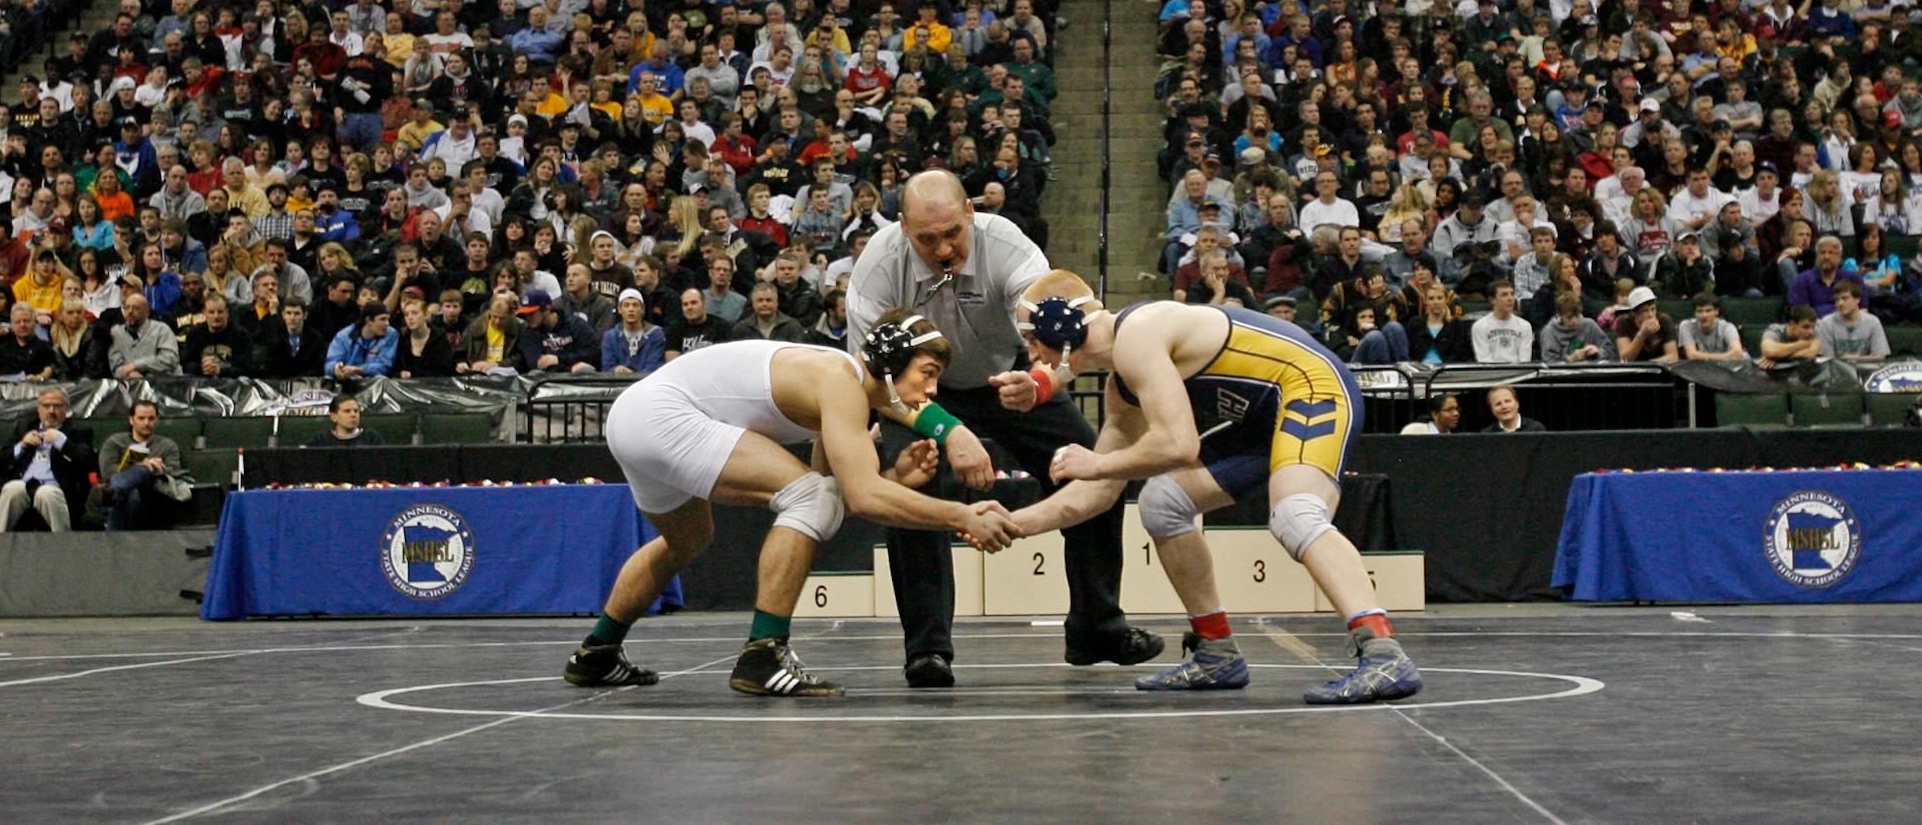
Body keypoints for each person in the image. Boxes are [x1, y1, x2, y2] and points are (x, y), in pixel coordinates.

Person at [1001, 270, 1420, 705]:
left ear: (1060, 325)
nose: (1032, 354)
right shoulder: (1123, 385)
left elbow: (1178, 446)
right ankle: (1216, 650)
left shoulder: (1138, 335)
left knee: (1296, 514)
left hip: (1311, 385)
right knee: (1162, 502)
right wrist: (1013, 523)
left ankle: (1383, 651)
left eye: (1032, 338)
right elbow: (1098, 492)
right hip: (1263, 417)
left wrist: (1098, 462)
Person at [563, 312, 1018, 697]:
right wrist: (961, 515)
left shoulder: (841, 388)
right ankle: (764, 653)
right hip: (663, 415)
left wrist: (895, 480)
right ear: (892, 364)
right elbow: (853, 498)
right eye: (927, 372)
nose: (932, 390)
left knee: (691, 538)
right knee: (808, 497)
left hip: (634, 417)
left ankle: (598, 652)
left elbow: (837, 498)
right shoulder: (839, 382)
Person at [845, 170, 1158, 687]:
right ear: (902, 227)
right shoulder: (877, 269)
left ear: (971, 213)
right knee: (909, 488)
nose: (944, 250)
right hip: (919, 390)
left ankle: (1096, 628)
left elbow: (1061, 339)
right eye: (927, 239)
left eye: (953, 233)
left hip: (1007, 376)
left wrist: (1039, 383)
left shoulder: (1009, 247)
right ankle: (927, 650)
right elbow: (879, 384)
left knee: (1094, 470)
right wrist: (949, 429)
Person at [0, 386, 95, 531]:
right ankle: (0, 541)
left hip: (56, 487)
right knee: (12, 489)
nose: (51, 411)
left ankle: (63, 542)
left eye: (57, 406)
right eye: (46, 406)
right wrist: (22, 444)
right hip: (24, 483)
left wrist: (62, 442)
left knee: (46, 493)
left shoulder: (78, 431)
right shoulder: (24, 428)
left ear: (66, 409)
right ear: (39, 409)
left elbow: (88, 463)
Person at [99, 399, 188, 531]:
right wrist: (141, 465)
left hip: (154, 493)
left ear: (157, 420)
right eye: (141, 418)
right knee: (131, 493)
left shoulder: (168, 445)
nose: (146, 423)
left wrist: (154, 469)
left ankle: (111, 540)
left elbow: (174, 471)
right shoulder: (115, 442)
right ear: (131, 420)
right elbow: (107, 472)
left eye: (151, 418)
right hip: (123, 495)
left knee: (136, 478)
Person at [1817, 280, 1890, 360]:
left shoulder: (1873, 322)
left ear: (1857, 299)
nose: (1840, 303)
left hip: (1867, 367)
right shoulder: (1827, 323)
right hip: (1836, 367)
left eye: (1845, 298)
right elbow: (1827, 359)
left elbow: (1880, 356)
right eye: (1837, 300)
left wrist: (1855, 358)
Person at [1468, 279, 1534, 362]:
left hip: (1519, 369)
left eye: (1512, 294)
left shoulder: (1525, 326)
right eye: (1504, 295)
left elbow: (1525, 360)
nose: (1510, 299)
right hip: (1491, 369)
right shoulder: (1480, 326)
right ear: (1492, 300)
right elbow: (1484, 360)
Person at [308, 393, 384, 446]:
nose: (353, 415)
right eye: (347, 411)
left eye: (356, 411)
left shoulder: (371, 438)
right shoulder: (320, 440)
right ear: (334, 417)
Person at [1480, 386, 1545, 433]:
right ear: (1492, 409)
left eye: (1507, 401)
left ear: (1517, 404)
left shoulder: (1536, 429)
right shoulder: (1486, 434)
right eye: (1498, 404)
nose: (1504, 406)